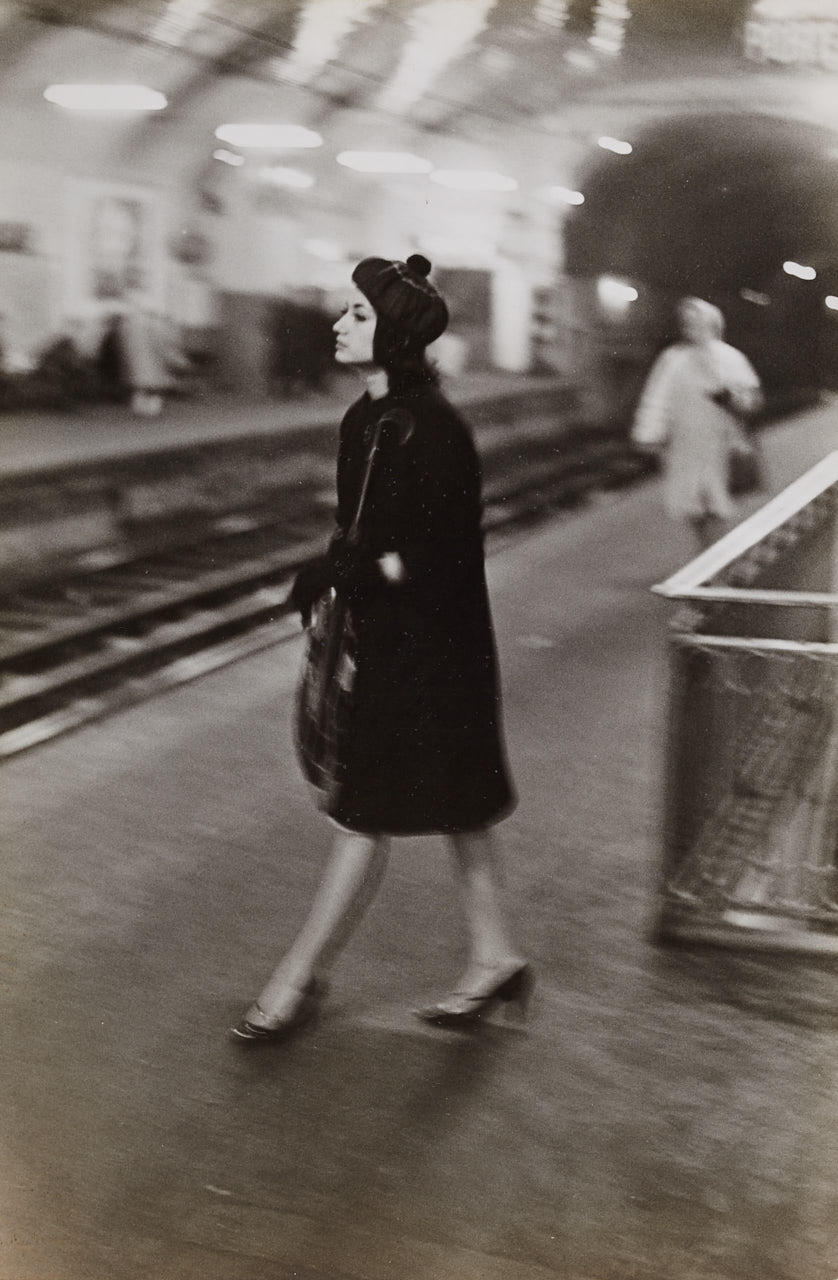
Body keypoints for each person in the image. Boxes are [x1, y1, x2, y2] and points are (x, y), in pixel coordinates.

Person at [231, 253, 531, 1043]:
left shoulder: (432, 429)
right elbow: (364, 535)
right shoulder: (364, 420)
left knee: (362, 814)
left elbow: (438, 556)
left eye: (357, 316)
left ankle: (296, 981)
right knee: (460, 803)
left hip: (431, 649)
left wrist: (353, 566)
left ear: (393, 336)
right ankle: (497, 956)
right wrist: (345, 567)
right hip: (392, 638)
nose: (339, 324)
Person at [631, 297, 763, 552]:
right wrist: (648, 433)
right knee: (695, 508)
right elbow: (657, 399)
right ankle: (708, 558)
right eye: (687, 323)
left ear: (712, 325)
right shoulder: (673, 359)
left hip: (721, 445)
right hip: (685, 446)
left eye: (697, 322)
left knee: (716, 506)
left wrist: (731, 398)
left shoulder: (731, 358)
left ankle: (712, 564)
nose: (690, 328)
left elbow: (752, 401)